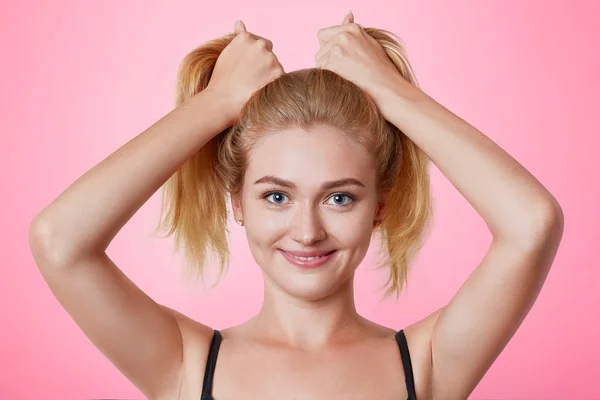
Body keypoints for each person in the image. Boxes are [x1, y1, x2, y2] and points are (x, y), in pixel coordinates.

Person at [29, 11, 564, 400]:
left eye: (339, 197)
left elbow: (532, 223)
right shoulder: (186, 364)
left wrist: (392, 93)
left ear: (380, 203)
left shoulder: (426, 364)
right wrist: (214, 104)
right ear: (237, 201)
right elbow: (59, 240)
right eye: (276, 196)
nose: (307, 231)